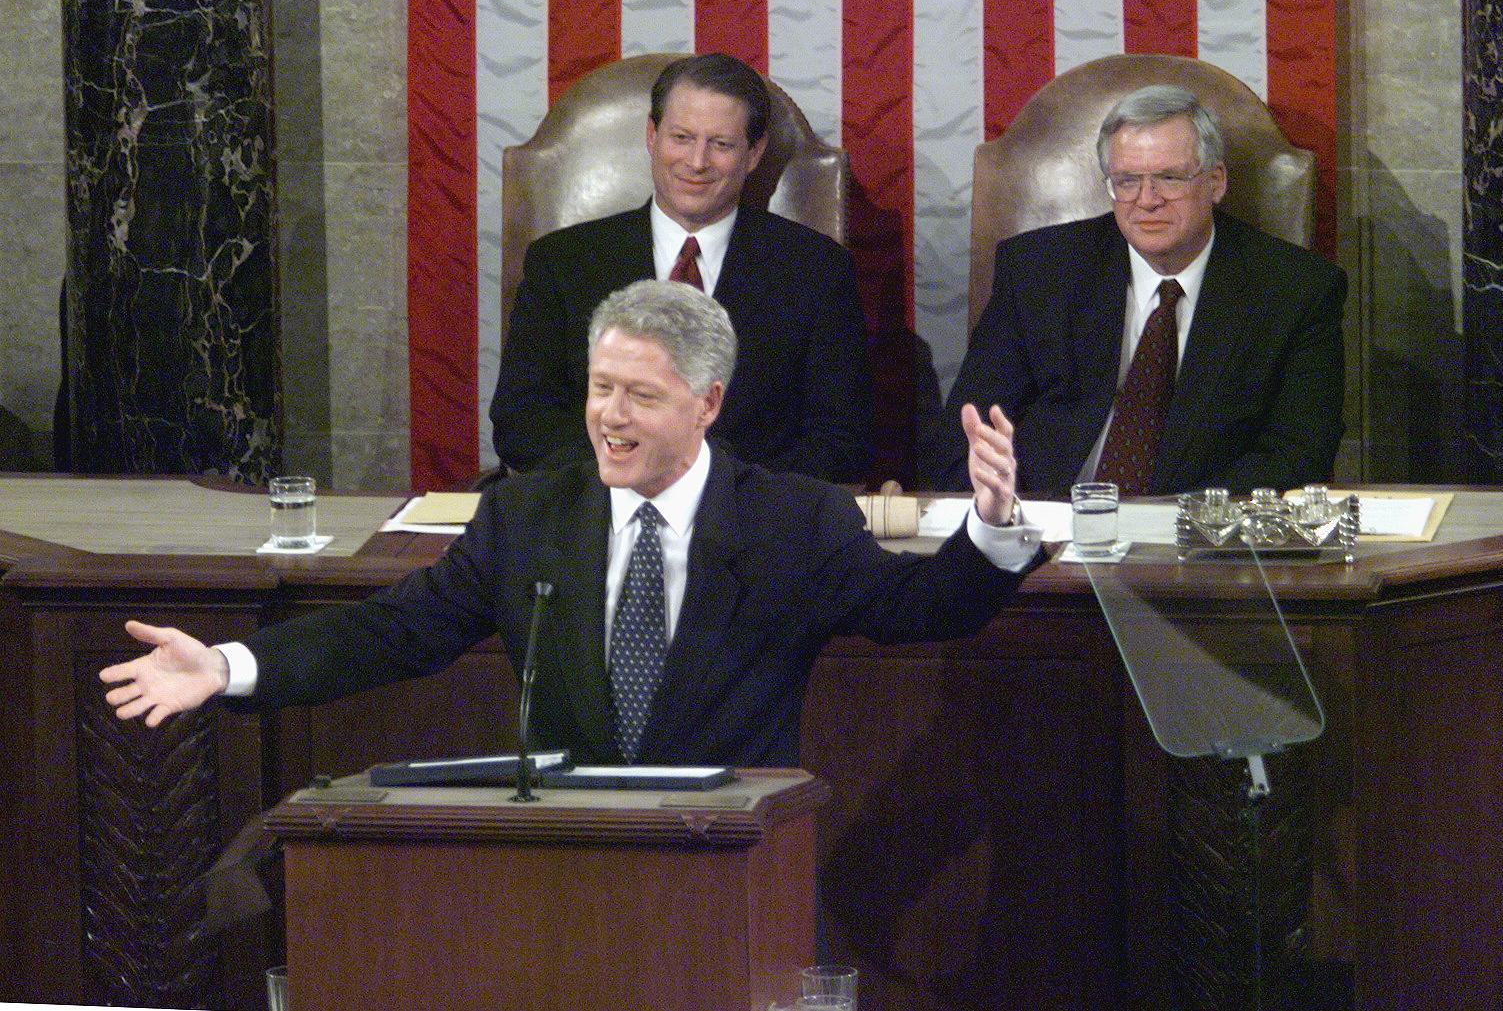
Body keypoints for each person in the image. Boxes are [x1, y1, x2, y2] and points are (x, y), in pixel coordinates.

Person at [102, 281, 1041, 768]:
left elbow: (924, 611)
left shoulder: (792, 517)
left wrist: (992, 526)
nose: (610, 416)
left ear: (707, 403)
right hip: (562, 845)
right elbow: (394, 630)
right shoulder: (527, 514)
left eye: (640, 395)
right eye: (600, 389)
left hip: (732, 845)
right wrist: (231, 666)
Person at [921, 84, 1345, 498]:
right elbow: (968, 435)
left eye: (1169, 178)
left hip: (1198, 537)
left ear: (1216, 182)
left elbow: (1300, 454)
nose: (1147, 200)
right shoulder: (1039, 272)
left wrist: (1171, 519)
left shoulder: (1295, 289)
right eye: (1127, 181)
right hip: (1049, 523)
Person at [491, 52, 874, 483]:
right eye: (682, 137)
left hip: (747, 523)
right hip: (603, 511)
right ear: (652, 137)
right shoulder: (562, 262)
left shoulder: (816, 270)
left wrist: (711, 489)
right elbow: (521, 419)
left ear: (754, 153)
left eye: (721, 144)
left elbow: (842, 437)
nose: (696, 162)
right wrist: (631, 476)